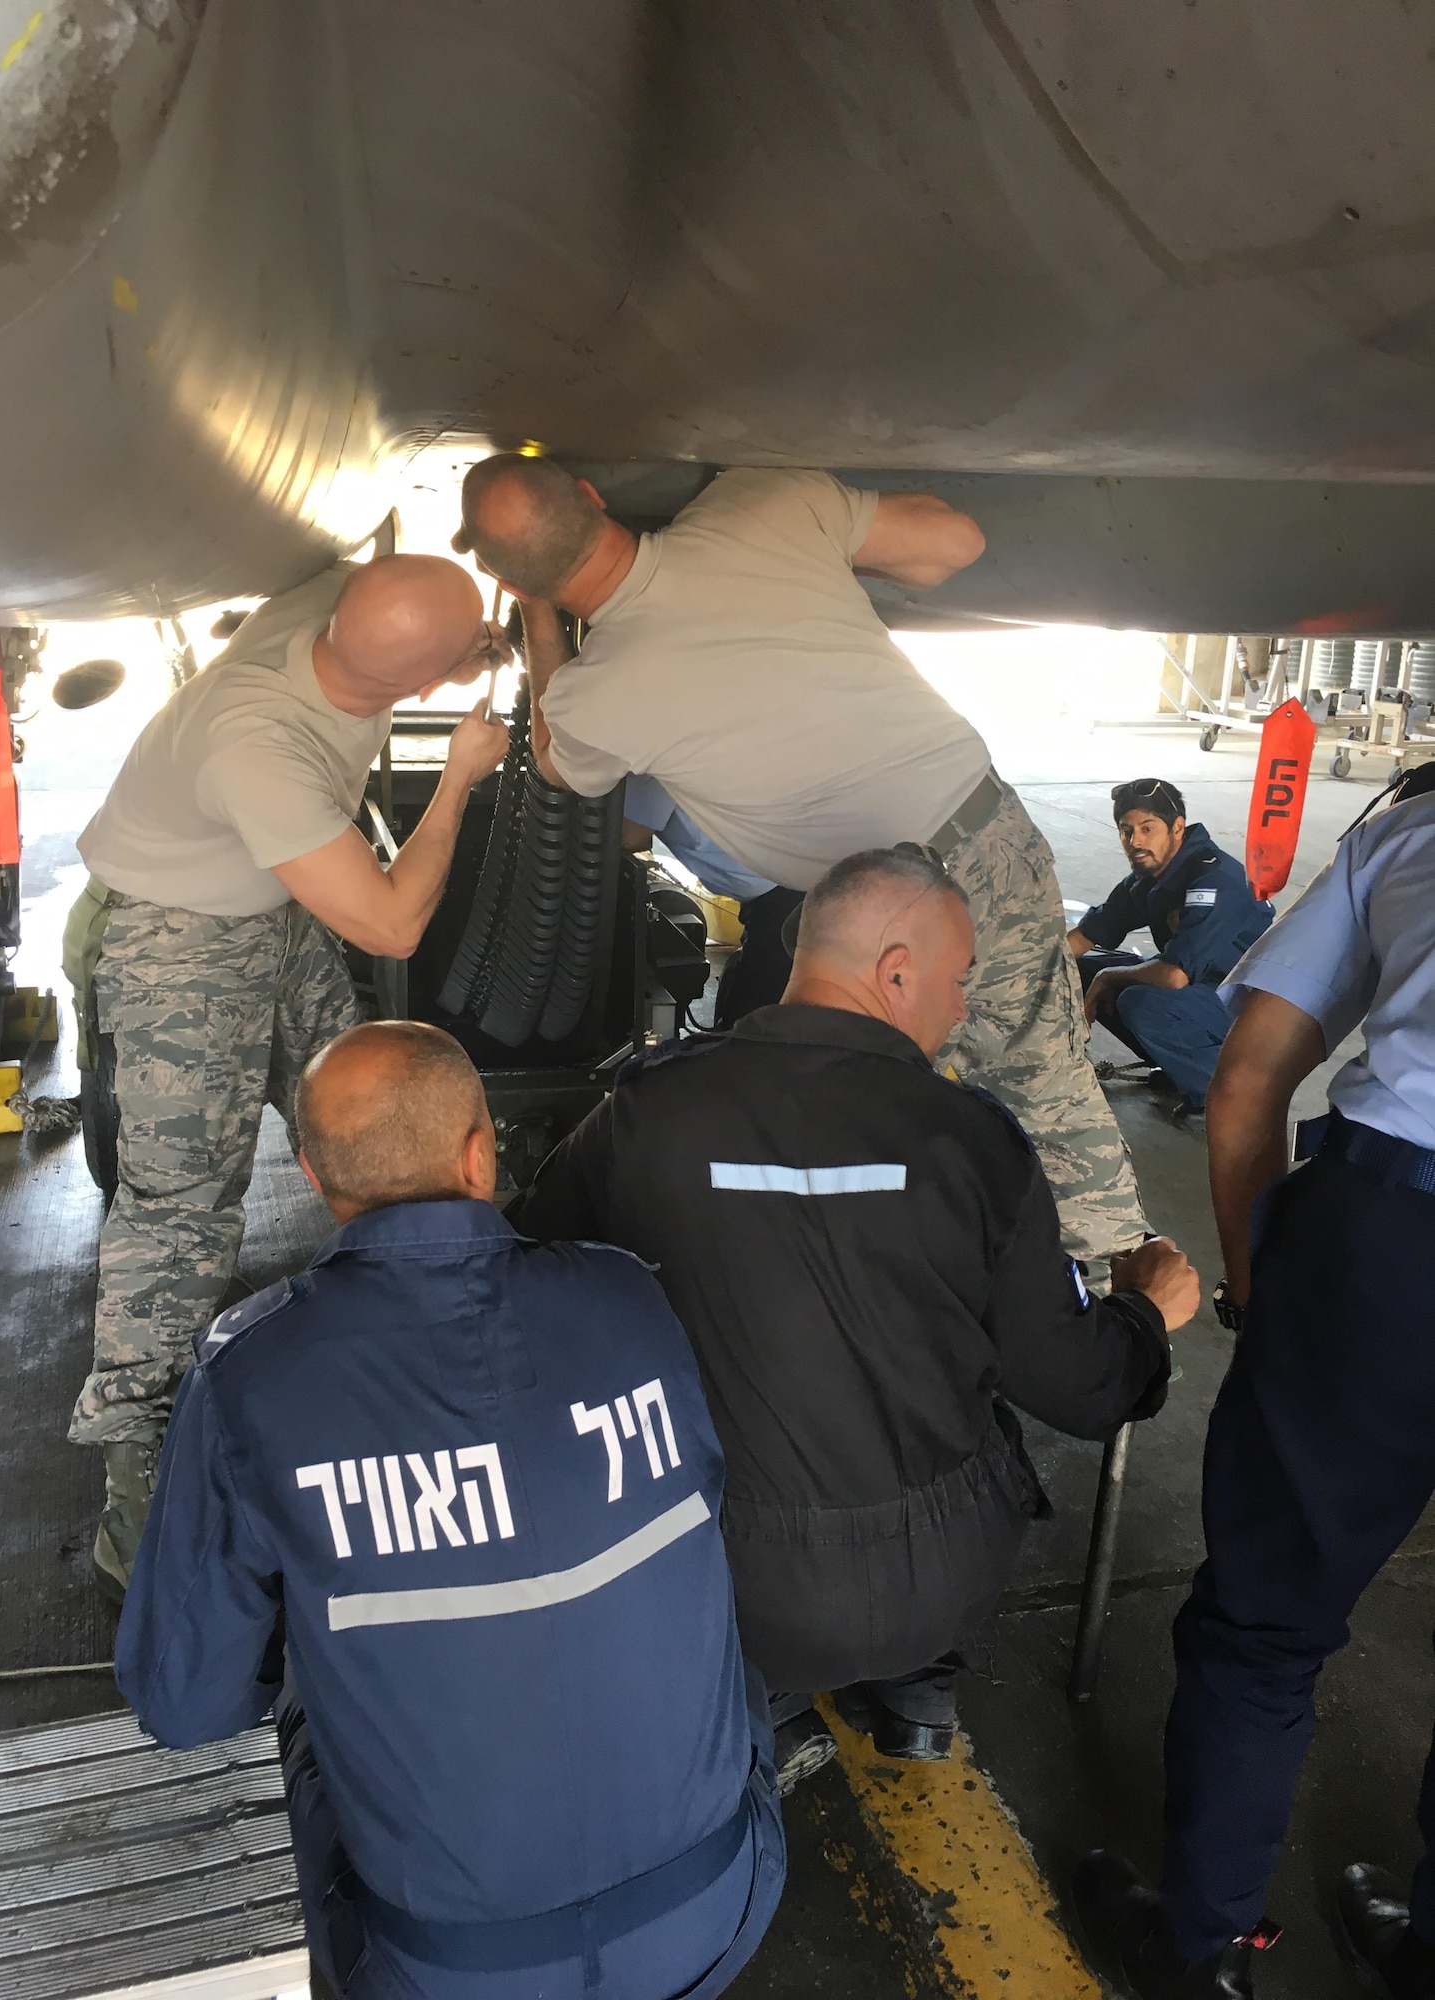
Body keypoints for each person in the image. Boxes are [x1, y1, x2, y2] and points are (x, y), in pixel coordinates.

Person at [115, 1021, 784, 2000]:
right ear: (482, 1152)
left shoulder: (252, 1375)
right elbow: (708, 1500)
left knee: (312, 1644)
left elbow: (184, 1701)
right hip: (718, 1908)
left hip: (444, 1971)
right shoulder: (630, 1299)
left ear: (311, 1172)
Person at [507, 847, 1196, 1788]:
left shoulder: (646, 1111)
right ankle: (919, 1692)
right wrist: (1146, 1318)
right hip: (944, 1570)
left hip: (738, 1577)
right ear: (896, 972)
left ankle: (771, 1700)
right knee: (973, 1371)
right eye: (958, 982)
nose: (960, 1008)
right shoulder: (973, 1141)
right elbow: (1076, 1387)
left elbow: (524, 1279)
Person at [455, 453, 1148, 1261]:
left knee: (968, 1109)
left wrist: (540, 613)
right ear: (590, 490)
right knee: (1017, 1096)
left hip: (901, 895)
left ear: (509, 578)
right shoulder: (763, 501)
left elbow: (550, 755)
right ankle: (1082, 1320)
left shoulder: (592, 699)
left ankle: (1092, 1307)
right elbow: (953, 542)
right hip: (962, 847)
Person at [63, 556, 512, 1599]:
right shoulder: (254, 745)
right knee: (179, 1209)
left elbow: (402, 624)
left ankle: (416, 1328)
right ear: (433, 678)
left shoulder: (333, 601)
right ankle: (139, 1479)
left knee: (373, 1119)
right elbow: (393, 916)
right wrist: (456, 777)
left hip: (271, 900)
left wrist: (471, 642)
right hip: (175, 935)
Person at [1074, 774, 1435, 2000]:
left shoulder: (1412, 826)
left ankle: (1202, 1945)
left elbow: (1246, 1082)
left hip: (1395, 1240)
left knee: (1270, 1617)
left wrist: (1255, 1295)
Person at [1067, 779, 1273, 1114]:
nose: (1136, 841)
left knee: (1140, 1000)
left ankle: (1219, 1091)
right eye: (1126, 830)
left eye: (1148, 828)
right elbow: (1082, 938)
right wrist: (1017, 969)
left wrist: (1108, 978)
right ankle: (1180, 1068)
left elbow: (1174, 976)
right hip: (1202, 992)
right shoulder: (1150, 876)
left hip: (1249, 1012)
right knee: (1078, 970)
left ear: (1177, 828)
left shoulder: (1213, 879)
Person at [622, 773, 802, 1029]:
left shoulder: (650, 763)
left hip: (782, 896)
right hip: (772, 892)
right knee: (746, 1000)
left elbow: (630, 835)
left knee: (752, 1021)